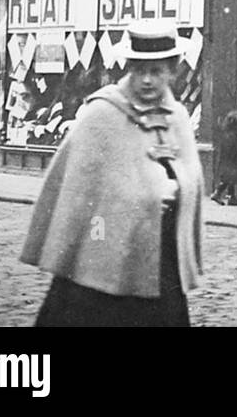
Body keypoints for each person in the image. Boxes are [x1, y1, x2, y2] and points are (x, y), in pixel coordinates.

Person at [21, 19, 204, 327]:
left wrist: (176, 189)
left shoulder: (179, 118)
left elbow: (192, 180)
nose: (147, 80)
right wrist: (143, 196)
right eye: (139, 70)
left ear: (172, 71)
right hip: (103, 262)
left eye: (156, 71)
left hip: (161, 265)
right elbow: (85, 193)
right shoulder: (103, 113)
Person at [211, 109, 237, 206]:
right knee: (229, 178)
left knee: (231, 178)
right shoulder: (232, 135)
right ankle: (218, 193)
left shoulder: (228, 133)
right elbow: (233, 147)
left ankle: (231, 196)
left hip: (228, 160)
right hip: (232, 160)